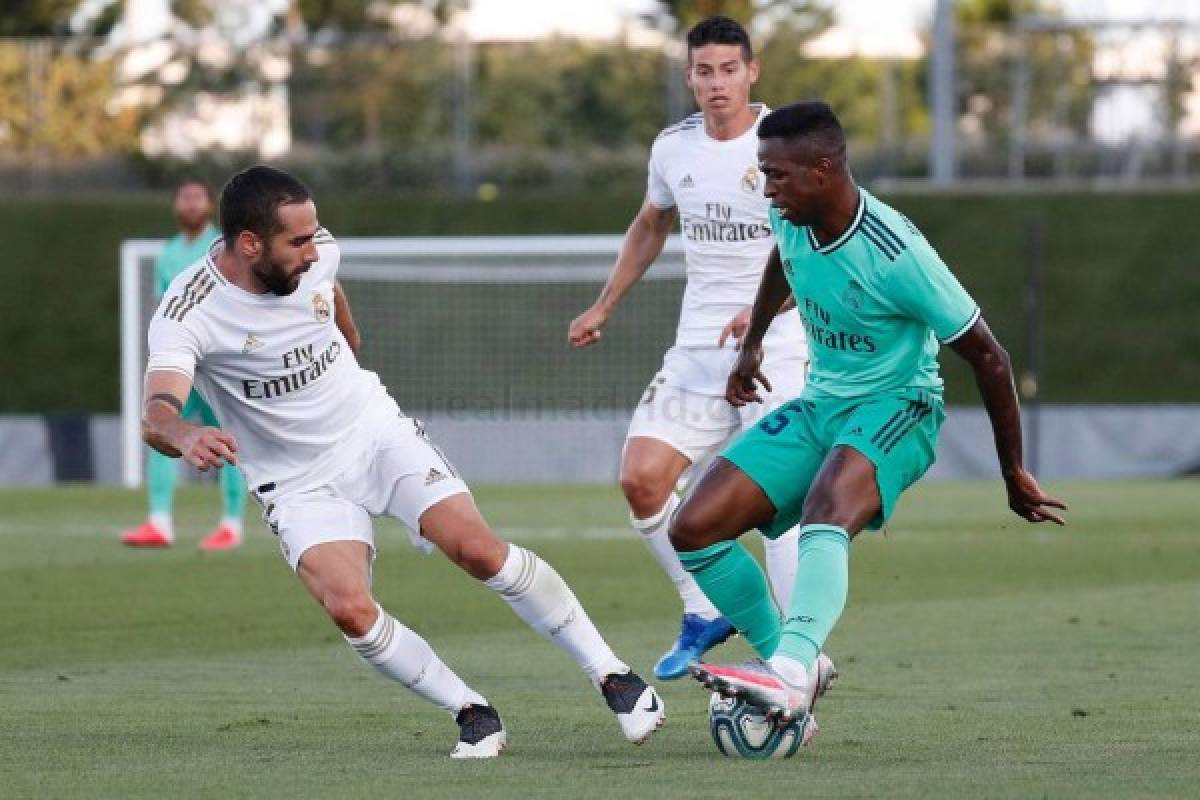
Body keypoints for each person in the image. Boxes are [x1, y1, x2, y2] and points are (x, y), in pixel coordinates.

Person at [141, 165, 665, 759]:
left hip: (373, 432)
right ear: (249, 244)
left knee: (477, 550)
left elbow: (330, 290)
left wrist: (347, 332)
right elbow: (156, 412)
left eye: (316, 236)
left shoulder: (319, 256)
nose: (315, 251)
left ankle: (614, 675)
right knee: (349, 609)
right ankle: (469, 709)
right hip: (294, 481)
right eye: (298, 242)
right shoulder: (188, 311)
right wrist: (185, 435)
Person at [670, 101, 1068, 745]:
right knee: (693, 527)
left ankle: (791, 666)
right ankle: (794, 664)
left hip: (900, 409)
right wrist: (752, 344)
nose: (766, 189)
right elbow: (784, 262)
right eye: (762, 173)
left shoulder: (897, 251)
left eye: (776, 175)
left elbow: (989, 356)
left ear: (823, 169)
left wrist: (1013, 469)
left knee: (828, 510)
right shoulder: (789, 212)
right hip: (822, 404)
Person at [568, 16, 832, 687]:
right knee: (641, 479)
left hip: (777, 350)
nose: (716, 84)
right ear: (689, 76)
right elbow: (650, 222)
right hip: (696, 350)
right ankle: (704, 606)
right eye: (704, 71)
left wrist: (764, 308)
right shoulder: (673, 148)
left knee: (778, 506)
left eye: (728, 70)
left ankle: (797, 657)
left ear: (753, 72)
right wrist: (605, 303)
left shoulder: (785, 146)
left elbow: (825, 246)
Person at [121, 179, 249, 550]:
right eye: (184, 197)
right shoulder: (168, 254)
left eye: (197, 197)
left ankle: (231, 523)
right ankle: (159, 521)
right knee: (160, 427)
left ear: (209, 205)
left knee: (226, 438)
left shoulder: (222, 249)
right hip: (182, 365)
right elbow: (166, 312)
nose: (190, 204)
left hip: (219, 364)